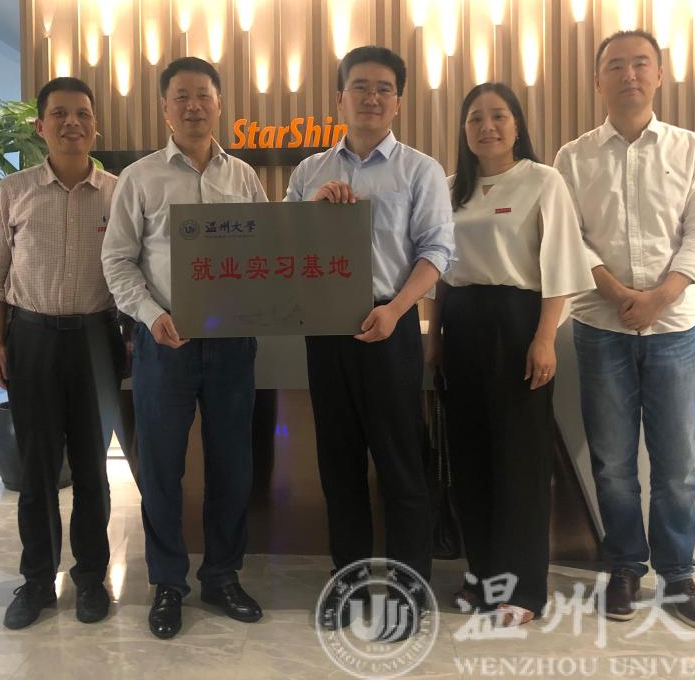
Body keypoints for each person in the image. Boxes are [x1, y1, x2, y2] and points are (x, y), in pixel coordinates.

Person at [555, 30, 695, 631]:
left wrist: (659, 297)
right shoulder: (572, 158)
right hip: (601, 326)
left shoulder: (691, 149)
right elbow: (568, 238)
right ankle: (625, 566)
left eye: (640, 64)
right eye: (616, 66)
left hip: (674, 327)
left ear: (658, 74)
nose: (629, 74)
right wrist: (618, 293)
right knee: (613, 464)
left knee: (677, 466)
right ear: (597, 80)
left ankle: (677, 576)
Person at [284, 46, 455, 635]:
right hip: (325, 328)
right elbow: (284, 249)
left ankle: (409, 590)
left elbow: (437, 251)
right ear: (340, 97)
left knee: (401, 463)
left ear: (398, 101)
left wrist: (396, 310)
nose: (371, 97)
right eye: (359, 86)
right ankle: (347, 583)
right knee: (338, 463)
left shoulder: (419, 170)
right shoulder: (309, 172)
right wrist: (312, 210)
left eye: (384, 88)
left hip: (391, 323)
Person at [101, 57, 268, 639]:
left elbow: (266, 255)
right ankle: (168, 583)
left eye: (203, 95)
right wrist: (151, 316)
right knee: (161, 470)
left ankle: (222, 575)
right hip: (163, 344)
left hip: (232, 345)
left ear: (219, 103)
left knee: (232, 467)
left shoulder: (243, 177)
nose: (193, 106)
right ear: (165, 107)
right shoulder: (140, 178)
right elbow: (117, 261)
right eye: (181, 97)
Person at [426, 82, 594, 626]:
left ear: (517, 125)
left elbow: (560, 265)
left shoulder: (542, 181)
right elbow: (440, 268)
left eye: (498, 115)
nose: (487, 126)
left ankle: (522, 589)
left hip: (519, 324)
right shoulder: (449, 189)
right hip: (461, 325)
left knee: (520, 460)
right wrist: (435, 338)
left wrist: (545, 338)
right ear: (464, 130)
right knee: (471, 457)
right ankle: (481, 578)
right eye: (475, 117)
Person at [0, 76, 123, 630]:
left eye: (82, 113)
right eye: (59, 113)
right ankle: (37, 581)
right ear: (40, 125)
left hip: (96, 340)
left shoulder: (118, 192)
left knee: (92, 469)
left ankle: (90, 579)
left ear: (95, 125)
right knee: (36, 470)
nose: (72, 123)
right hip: (33, 338)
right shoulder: (13, 191)